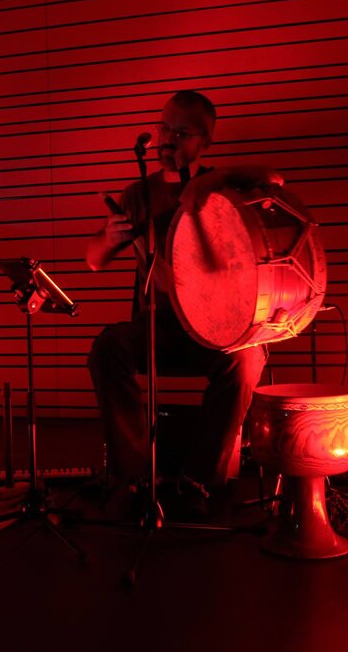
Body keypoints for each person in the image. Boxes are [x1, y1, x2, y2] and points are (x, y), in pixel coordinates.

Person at [85, 91, 268, 512]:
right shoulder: (139, 193)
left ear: (206, 142)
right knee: (107, 348)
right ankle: (133, 476)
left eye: (182, 133)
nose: (168, 139)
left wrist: (207, 181)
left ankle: (198, 481)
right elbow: (93, 260)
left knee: (247, 361)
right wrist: (109, 239)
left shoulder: (223, 188)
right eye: (164, 128)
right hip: (158, 328)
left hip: (215, 331)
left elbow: (274, 177)